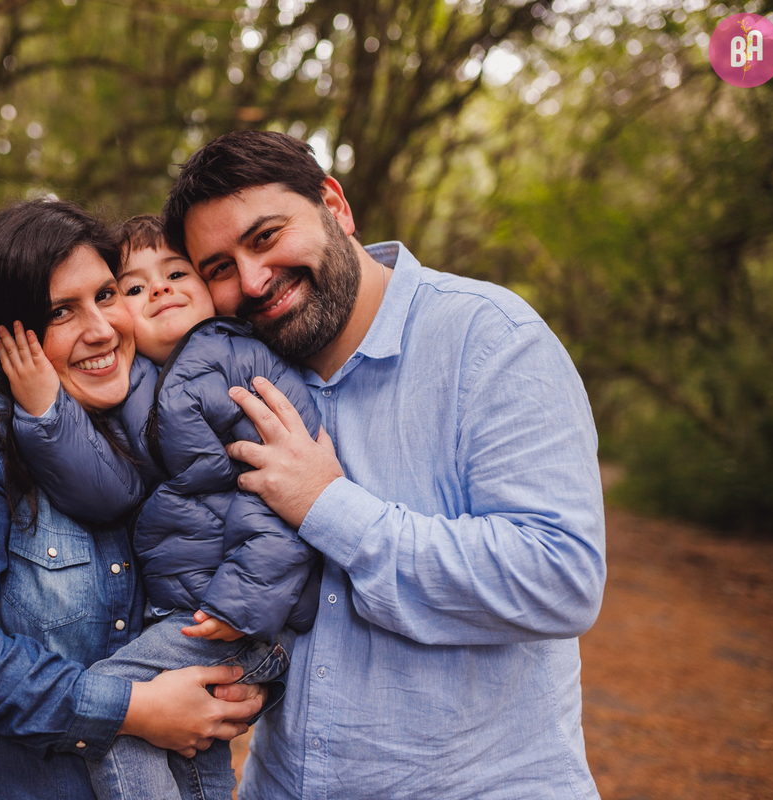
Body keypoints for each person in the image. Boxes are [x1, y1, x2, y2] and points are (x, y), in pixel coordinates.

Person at [159, 130, 607, 799]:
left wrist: (328, 507)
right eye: (219, 267)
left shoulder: (490, 340)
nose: (252, 280)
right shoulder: (240, 378)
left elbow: (561, 575)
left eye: (266, 236)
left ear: (334, 206)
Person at [0, 200, 266, 800]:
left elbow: (204, 586)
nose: (101, 329)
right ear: (2, 334)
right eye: (61, 311)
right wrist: (131, 707)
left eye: (108, 295)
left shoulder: (145, 427)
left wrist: (233, 685)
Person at [0, 214, 322, 800]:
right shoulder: (137, 384)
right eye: (135, 288)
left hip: (229, 614)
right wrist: (43, 412)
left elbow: (285, 502)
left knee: (116, 704)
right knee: (184, 759)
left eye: (177, 273)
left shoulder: (241, 362)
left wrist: (239, 604)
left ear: (210, 288)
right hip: (194, 610)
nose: (161, 290)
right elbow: (108, 488)